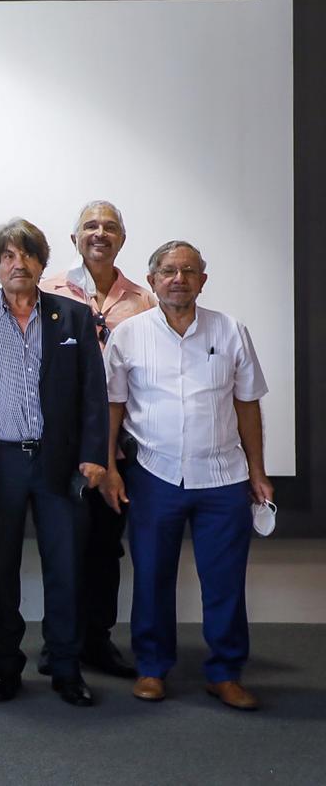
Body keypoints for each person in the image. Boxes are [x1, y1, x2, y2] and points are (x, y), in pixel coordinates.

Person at [101, 241, 272, 710]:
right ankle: (152, 668)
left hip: (223, 476)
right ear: (152, 280)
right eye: (169, 271)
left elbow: (247, 404)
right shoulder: (129, 335)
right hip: (154, 474)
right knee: (152, 576)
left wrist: (258, 471)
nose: (179, 279)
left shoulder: (231, 330)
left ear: (203, 280)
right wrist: (111, 467)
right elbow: (113, 406)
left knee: (225, 580)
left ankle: (225, 673)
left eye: (189, 271)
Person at [0, 219, 108, 707]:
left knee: (66, 567)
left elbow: (93, 391)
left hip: (60, 463)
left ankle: (66, 668)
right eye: (8, 256)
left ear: (42, 263)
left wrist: (93, 454)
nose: (19, 264)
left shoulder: (73, 316)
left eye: (29, 255)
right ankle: (4, 668)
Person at [38, 200, 155, 679]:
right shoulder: (46, 292)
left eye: (110, 227)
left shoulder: (143, 300)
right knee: (62, 548)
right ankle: (59, 642)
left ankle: (97, 640)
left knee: (107, 549)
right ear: (74, 239)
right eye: (90, 225)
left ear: (122, 239)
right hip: (60, 446)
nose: (100, 233)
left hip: (119, 447)